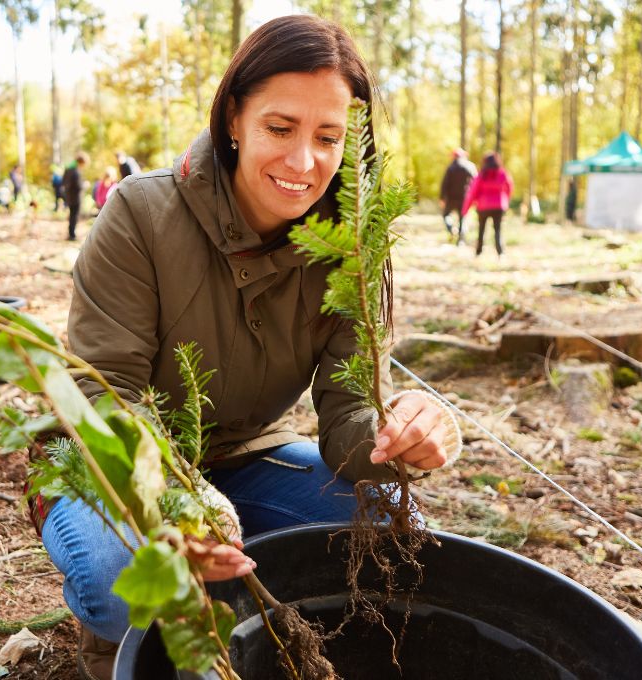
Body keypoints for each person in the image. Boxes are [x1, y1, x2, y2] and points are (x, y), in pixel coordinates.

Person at [36, 16, 463, 680]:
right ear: (235, 117)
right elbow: (102, 399)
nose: (303, 163)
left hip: (241, 457)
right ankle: (113, 641)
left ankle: (261, 613)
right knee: (122, 576)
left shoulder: (350, 250)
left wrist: (400, 435)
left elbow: (348, 421)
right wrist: (179, 503)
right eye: (280, 128)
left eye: (328, 138)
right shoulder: (141, 217)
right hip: (111, 466)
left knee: (390, 526)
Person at [461, 152, 513, 257]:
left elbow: (472, 192)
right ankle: (500, 252)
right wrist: (506, 200)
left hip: (483, 206)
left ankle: (478, 252)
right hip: (499, 206)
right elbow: (509, 187)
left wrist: (465, 209)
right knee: (497, 229)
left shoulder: (481, 175)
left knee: (481, 229)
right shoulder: (502, 173)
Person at [439, 148, 476, 245]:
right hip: (464, 197)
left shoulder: (450, 168)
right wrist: (474, 197)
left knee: (446, 215)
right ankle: (460, 241)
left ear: (454, 157)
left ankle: (451, 229)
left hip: (451, 198)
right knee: (462, 218)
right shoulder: (470, 167)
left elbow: (444, 184)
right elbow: (475, 182)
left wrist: (442, 198)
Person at [62, 153, 85, 241]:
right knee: (74, 216)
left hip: (69, 196)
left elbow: (63, 182)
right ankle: (72, 234)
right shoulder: (76, 171)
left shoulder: (68, 169)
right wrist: (84, 185)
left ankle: (70, 233)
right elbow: (79, 185)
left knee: (71, 215)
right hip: (76, 197)